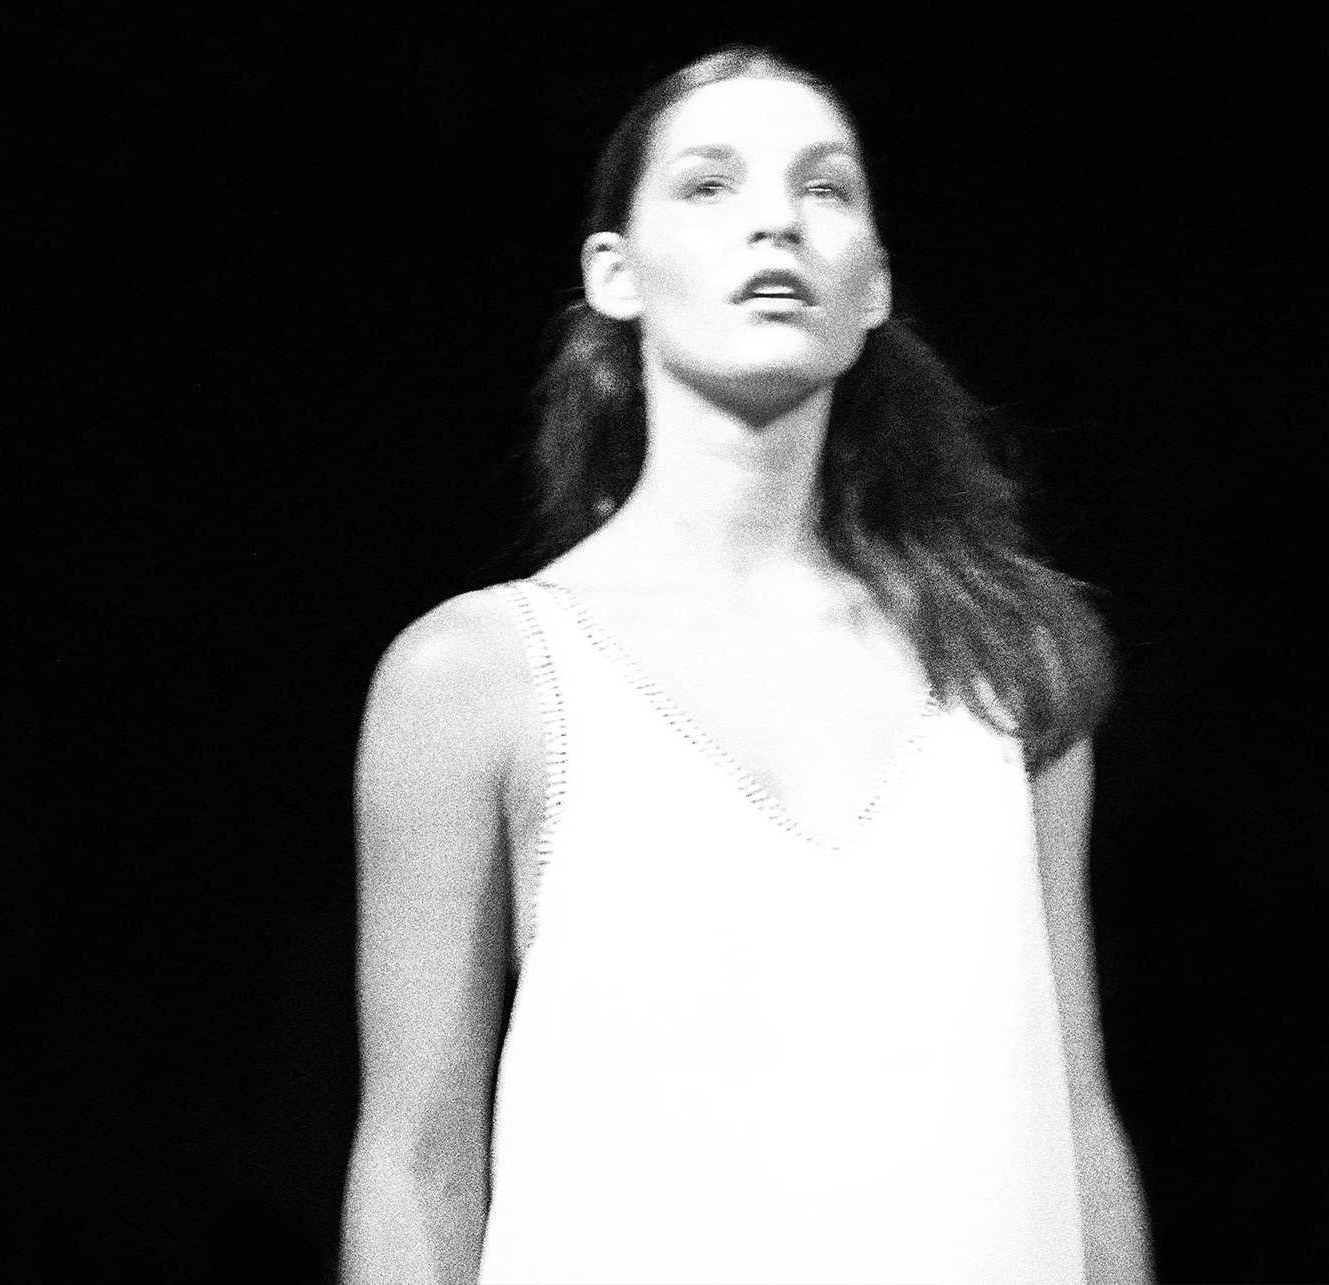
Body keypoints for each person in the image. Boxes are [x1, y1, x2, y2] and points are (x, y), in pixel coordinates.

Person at [340, 44, 1152, 1285]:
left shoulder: (1005, 660)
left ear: (874, 286)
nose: (778, 220)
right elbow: (417, 1158)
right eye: (710, 185)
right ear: (613, 273)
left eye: (824, 188)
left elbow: (1072, 1109)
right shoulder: (479, 676)